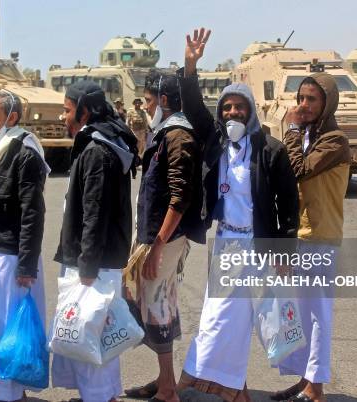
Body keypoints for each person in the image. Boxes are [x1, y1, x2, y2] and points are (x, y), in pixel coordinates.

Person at [171, 28, 299, 402]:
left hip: (254, 245)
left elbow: (288, 205)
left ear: (250, 110)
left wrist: (284, 251)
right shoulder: (218, 143)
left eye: (238, 107)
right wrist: (190, 67)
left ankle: (194, 378)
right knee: (223, 316)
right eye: (226, 107)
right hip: (226, 240)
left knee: (226, 319)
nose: (232, 112)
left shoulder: (270, 150)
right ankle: (232, 389)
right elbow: (193, 106)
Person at [123, 71, 206, 402]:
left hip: (165, 239)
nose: (146, 107)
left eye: (148, 100)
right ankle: (164, 379)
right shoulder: (166, 133)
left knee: (157, 305)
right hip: (156, 235)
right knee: (157, 303)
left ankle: (169, 388)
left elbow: (180, 197)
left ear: (165, 101)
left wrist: (157, 246)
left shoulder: (178, 136)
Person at [53, 80, 138, 402]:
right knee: (97, 337)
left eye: (67, 110)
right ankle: (104, 396)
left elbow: (95, 213)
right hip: (97, 262)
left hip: (93, 265)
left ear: (84, 111)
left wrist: (86, 266)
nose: (63, 117)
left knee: (89, 337)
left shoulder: (98, 151)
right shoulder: (101, 145)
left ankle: (99, 397)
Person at [273, 73, 351, 402]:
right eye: (301, 98)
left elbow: (299, 170)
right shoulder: (307, 135)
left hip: (320, 235)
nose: (303, 105)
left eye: (311, 100)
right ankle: (305, 379)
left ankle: (316, 388)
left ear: (326, 103)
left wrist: (289, 132)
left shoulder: (334, 140)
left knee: (318, 313)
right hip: (300, 235)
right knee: (300, 314)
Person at [0, 91, 48, 402]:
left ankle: (11, 393)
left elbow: (33, 212)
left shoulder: (24, 152)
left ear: (12, 118)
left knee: (12, 328)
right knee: (0, 325)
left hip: (15, 259)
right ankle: (9, 390)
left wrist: (26, 265)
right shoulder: (0, 149)